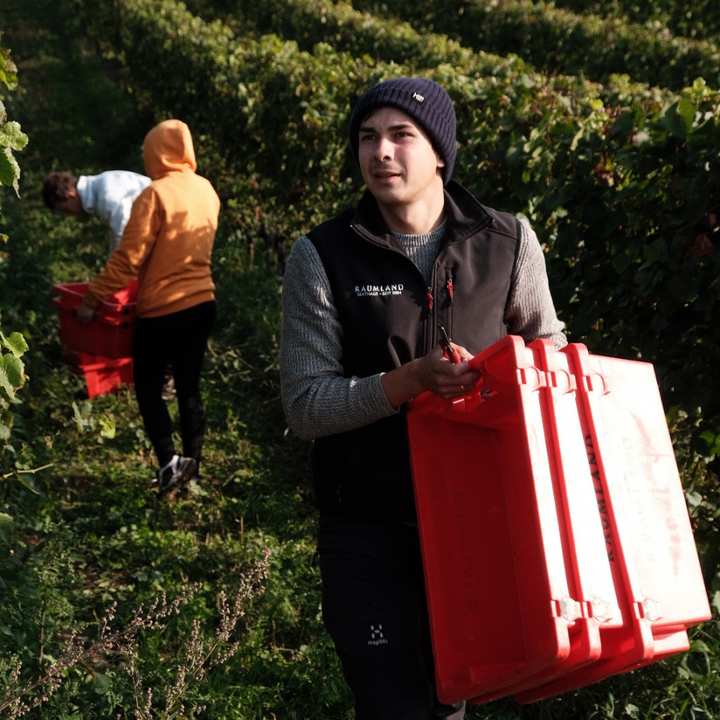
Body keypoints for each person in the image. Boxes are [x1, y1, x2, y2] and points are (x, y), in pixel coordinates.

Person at [279, 77, 567, 719]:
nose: (381, 151)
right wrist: (406, 384)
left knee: (458, 694)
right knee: (395, 705)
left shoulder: (508, 243)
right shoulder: (322, 257)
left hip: (486, 520)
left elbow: (550, 359)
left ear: (440, 151)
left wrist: (506, 374)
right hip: (369, 524)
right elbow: (304, 406)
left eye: (400, 136)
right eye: (367, 138)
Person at [75, 119, 221, 494]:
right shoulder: (207, 191)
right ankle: (193, 469)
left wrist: (92, 300)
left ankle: (169, 463)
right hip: (203, 301)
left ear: (154, 153)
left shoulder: (154, 194)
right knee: (189, 387)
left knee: (148, 388)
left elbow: (128, 260)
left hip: (162, 309)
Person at [42, 170, 151, 256]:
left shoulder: (107, 196)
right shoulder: (101, 188)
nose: (69, 214)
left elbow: (125, 238)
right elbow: (116, 238)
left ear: (70, 194)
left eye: (65, 209)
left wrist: (114, 275)